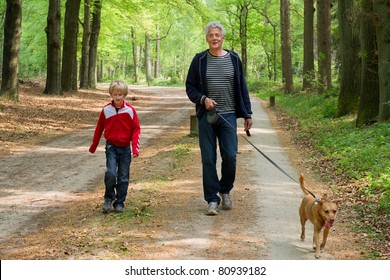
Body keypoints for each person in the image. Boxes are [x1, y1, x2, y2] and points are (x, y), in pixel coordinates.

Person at [186, 22, 253, 215]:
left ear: (222, 37)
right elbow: (190, 88)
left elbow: (242, 86)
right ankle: (212, 200)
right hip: (207, 116)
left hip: (229, 116)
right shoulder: (199, 60)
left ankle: (225, 190)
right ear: (206, 38)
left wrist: (247, 113)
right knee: (208, 158)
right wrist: (203, 99)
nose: (214, 38)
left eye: (217, 35)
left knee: (230, 156)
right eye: (211, 35)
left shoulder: (233, 58)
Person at [89, 80, 141, 213]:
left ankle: (119, 202)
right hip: (111, 147)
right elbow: (99, 128)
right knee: (111, 173)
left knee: (123, 176)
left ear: (125, 95)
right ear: (111, 94)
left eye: (121, 94)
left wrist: (135, 147)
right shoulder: (106, 110)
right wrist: (94, 146)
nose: (118, 97)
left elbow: (136, 129)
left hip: (125, 148)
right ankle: (108, 197)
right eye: (115, 94)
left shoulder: (130, 110)